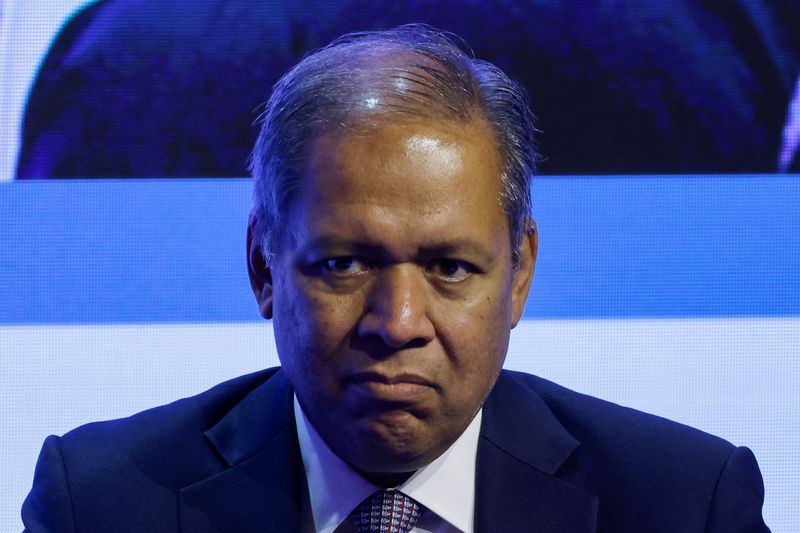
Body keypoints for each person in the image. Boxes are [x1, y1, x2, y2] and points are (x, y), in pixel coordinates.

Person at [22, 25, 769, 532]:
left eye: (450, 267)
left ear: (519, 275)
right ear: (263, 268)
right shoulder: (99, 501)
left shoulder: (685, 503)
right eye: (344, 264)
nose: (399, 321)